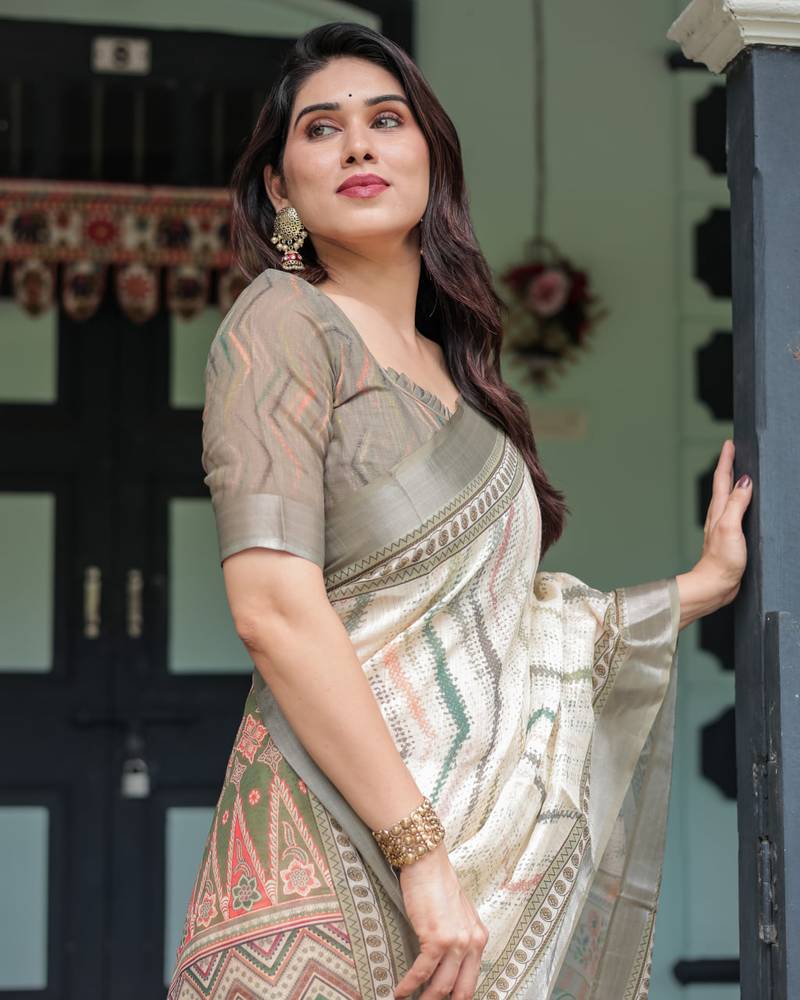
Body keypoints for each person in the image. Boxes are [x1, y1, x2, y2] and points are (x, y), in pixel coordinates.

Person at [166, 21, 751, 1000]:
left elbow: (514, 634)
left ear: (431, 158)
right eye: (321, 128)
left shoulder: (463, 378)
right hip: (327, 858)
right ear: (279, 187)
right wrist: (419, 853)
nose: (357, 145)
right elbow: (272, 610)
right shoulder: (282, 322)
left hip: (468, 865)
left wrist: (700, 587)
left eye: (385, 120)